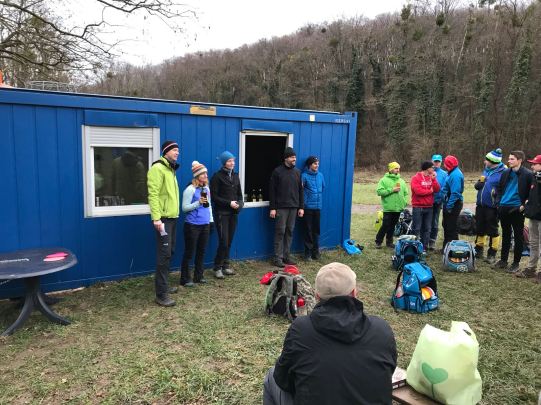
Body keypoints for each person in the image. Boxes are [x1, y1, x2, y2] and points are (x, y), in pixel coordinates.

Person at [263, 262, 397, 405]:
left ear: (317, 296)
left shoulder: (301, 329)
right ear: (354, 293)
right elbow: (388, 371)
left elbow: (282, 379)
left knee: (271, 376)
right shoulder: (381, 328)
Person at [147, 140, 180, 307]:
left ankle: (164, 285)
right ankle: (161, 295)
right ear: (166, 151)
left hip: (173, 218)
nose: (177, 152)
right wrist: (156, 218)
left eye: (178, 150)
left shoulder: (170, 169)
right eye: (174, 150)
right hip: (163, 219)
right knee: (164, 254)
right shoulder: (157, 168)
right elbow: (153, 194)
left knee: (170, 252)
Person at [494, 151, 534, 273]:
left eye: (512, 159)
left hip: (517, 209)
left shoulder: (528, 174)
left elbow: (532, 193)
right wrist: (498, 203)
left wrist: (523, 206)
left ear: (520, 160)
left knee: (518, 236)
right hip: (503, 207)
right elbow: (499, 189)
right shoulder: (506, 172)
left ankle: (516, 263)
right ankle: (503, 261)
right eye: (509, 159)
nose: (509, 161)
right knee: (505, 234)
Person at [210, 151, 244, 279]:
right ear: (224, 163)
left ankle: (226, 265)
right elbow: (214, 197)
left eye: (233, 161)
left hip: (233, 214)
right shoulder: (217, 177)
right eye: (229, 161)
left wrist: (240, 204)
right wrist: (229, 203)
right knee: (223, 241)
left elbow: (239, 194)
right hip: (221, 214)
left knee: (229, 241)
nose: (232, 163)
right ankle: (217, 267)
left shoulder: (235, 176)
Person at [180, 161, 214, 286]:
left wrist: (211, 221)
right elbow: (184, 208)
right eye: (203, 173)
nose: (206, 175)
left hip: (205, 224)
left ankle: (198, 277)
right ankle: (185, 279)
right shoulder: (190, 189)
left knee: (202, 251)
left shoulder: (206, 188)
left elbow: (208, 206)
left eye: (206, 173)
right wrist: (197, 203)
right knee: (189, 252)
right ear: (197, 176)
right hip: (192, 225)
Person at [269, 147, 304, 267]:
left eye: (295, 157)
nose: (294, 159)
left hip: (294, 207)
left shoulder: (298, 172)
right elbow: (272, 191)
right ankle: (277, 258)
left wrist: (301, 207)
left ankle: (286, 256)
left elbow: (301, 191)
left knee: (289, 231)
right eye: (292, 157)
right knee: (280, 231)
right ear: (286, 158)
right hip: (281, 207)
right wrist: (272, 208)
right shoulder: (277, 172)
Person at [473, 148, 505, 264]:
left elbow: (504, 190)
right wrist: (479, 183)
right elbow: (480, 185)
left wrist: (497, 200)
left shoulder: (503, 172)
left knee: (493, 229)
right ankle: (478, 249)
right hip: (481, 205)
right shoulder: (486, 170)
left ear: (493, 161)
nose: (484, 161)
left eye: (486, 160)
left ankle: (492, 253)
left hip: (493, 206)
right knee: (479, 227)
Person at [517, 154, 541, 282]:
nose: (532, 166)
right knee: (533, 243)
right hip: (533, 216)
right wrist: (526, 204)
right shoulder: (534, 178)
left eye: (535, 164)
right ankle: (531, 268)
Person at [375, 161, 408, 249]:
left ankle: (389, 242)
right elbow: (379, 192)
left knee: (393, 225)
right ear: (390, 169)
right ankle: (378, 241)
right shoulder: (383, 180)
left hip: (398, 208)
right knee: (385, 225)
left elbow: (406, 193)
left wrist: (404, 202)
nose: (398, 170)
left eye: (398, 168)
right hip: (388, 207)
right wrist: (392, 190)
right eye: (396, 168)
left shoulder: (401, 181)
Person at [411, 161, 441, 251]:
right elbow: (418, 191)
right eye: (432, 167)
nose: (434, 168)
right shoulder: (416, 178)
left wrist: (434, 180)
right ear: (427, 168)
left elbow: (437, 189)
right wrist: (429, 191)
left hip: (429, 207)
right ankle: (415, 248)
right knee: (417, 228)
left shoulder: (431, 178)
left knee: (427, 229)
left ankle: (424, 248)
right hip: (418, 207)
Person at [301, 156, 325, 260]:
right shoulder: (304, 176)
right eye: (315, 163)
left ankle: (316, 252)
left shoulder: (320, 175)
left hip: (318, 207)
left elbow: (323, 187)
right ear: (310, 165)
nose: (317, 165)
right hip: (307, 208)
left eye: (318, 163)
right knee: (308, 230)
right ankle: (308, 253)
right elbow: (301, 191)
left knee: (316, 230)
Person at [441, 155, 464, 250]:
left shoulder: (456, 175)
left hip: (453, 203)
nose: (444, 165)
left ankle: (453, 248)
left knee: (451, 226)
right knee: (446, 224)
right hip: (448, 202)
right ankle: (446, 246)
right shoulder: (451, 172)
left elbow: (455, 193)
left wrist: (449, 206)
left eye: (445, 164)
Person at [429, 154, 448, 250]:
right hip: (427, 201)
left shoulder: (444, 174)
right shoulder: (428, 172)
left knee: (434, 222)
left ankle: (432, 241)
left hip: (437, 202)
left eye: (438, 161)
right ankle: (424, 240)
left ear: (441, 162)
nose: (436, 163)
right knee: (426, 221)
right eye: (435, 161)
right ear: (432, 161)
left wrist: (440, 199)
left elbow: (444, 188)